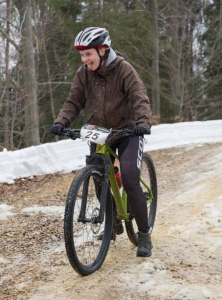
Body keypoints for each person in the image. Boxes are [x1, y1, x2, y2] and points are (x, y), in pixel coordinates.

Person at [50, 27, 153, 257]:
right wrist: (61, 122)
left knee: (129, 176)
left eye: (89, 54)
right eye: (82, 56)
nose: (85, 60)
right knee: (97, 173)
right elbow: (74, 101)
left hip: (128, 131)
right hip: (100, 131)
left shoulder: (124, 70)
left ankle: (144, 234)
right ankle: (112, 219)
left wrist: (143, 123)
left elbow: (140, 97)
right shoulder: (84, 74)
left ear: (103, 50)